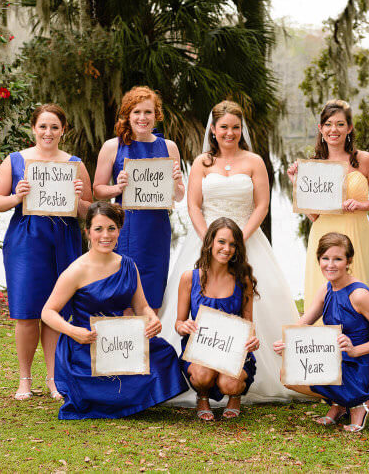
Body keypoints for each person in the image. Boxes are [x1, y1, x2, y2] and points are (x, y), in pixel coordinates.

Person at [158, 100, 303, 405]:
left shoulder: (253, 161)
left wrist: (239, 239)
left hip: (246, 238)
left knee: (255, 302)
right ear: (213, 129)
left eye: (235, 127)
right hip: (206, 240)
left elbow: (262, 204)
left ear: (241, 130)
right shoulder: (201, 163)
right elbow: (193, 205)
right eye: (224, 127)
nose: (230, 133)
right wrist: (208, 240)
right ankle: (199, 375)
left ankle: (245, 372)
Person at [0, 104, 92, 400]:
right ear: (33, 128)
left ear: (63, 130)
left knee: (55, 310)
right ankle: (24, 379)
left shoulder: (74, 164)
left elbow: (88, 211)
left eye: (54, 127)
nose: (48, 132)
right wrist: (15, 197)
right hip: (26, 240)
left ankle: (53, 378)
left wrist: (76, 195)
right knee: (27, 311)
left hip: (64, 239)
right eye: (43, 126)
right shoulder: (16, 161)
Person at [41, 202, 185, 419]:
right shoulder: (76, 271)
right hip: (86, 345)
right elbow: (48, 312)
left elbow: (142, 306)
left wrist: (152, 318)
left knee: (165, 354)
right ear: (88, 232)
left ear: (119, 231)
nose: (105, 235)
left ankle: (123, 396)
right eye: (98, 229)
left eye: (111, 228)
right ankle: (109, 396)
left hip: (123, 343)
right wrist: (73, 331)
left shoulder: (128, 265)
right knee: (103, 382)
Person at [274, 232, 369, 432]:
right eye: (325, 258)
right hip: (336, 358)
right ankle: (340, 402)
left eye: (337, 259)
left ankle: (360, 402)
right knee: (287, 375)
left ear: (348, 261)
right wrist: (287, 342)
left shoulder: (359, 295)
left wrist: (355, 350)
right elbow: (303, 323)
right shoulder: (326, 290)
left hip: (362, 365)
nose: (330, 265)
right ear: (319, 260)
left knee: (304, 374)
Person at [94, 86, 183, 316]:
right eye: (136, 112)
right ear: (127, 115)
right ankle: (125, 348)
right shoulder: (113, 147)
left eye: (148, 112)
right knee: (123, 294)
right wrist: (117, 187)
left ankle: (148, 349)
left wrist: (177, 182)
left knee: (153, 296)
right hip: (125, 229)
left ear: (157, 115)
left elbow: (179, 196)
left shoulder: (169, 147)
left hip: (157, 231)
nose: (142, 118)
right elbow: (98, 190)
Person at [287, 99, 369, 301]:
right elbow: (313, 216)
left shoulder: (365, 160)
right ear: (321, 129)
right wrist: (296, 183)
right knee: (323, 293)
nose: (334, 130)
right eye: (328, 124)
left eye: (340, 124)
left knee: (357, 292)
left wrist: (362, 205)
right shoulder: (313, 166)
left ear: (349, 127)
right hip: (323, 233)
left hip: (356, 231)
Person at [174, 217, 260, 420]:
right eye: (221, 242)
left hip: (233, 350)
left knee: (229, 384)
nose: (226, 248)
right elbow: (178, 323)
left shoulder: (243, 280)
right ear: (210, 242)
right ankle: (202, 396)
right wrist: (183, 326)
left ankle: (235, 396)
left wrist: (252, 338)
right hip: (200, 349)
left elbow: (248, 321)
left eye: (232, 244)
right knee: (203, 376)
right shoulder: (190, 278)